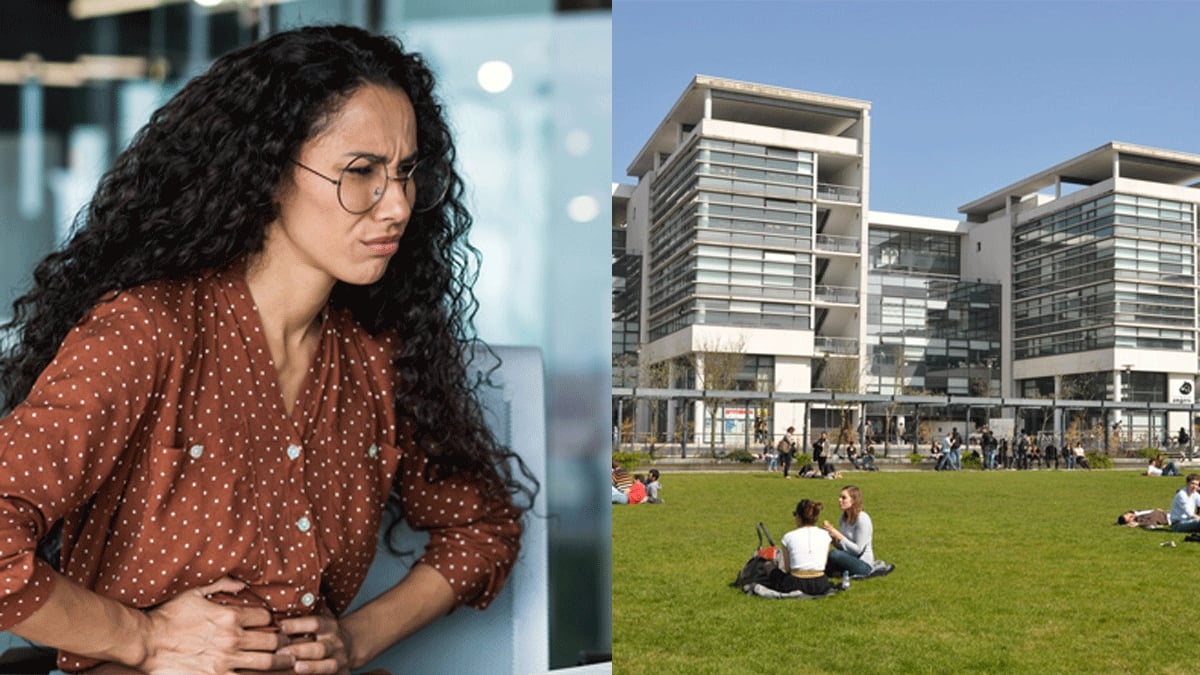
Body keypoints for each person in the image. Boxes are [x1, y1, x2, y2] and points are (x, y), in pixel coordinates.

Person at [0, 25, 536, 673]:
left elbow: (482, 530)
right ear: (267, 169)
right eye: (360, 171)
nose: (395, 204)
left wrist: (359, 637)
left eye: (405, 173)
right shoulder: (147, 330)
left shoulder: (375, 358)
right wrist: (139, 637)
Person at [763, 499, 837, 596]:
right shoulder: (825, 535)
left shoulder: (788, 537)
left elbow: (788, 568)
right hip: (820, 583)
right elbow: (824, 563)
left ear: (798, 517)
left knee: (768, 565)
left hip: (796, 583)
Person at [822, 486, 894, 580]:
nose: (839, 500)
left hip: (863, 564)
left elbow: (857, 550)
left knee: (834, 554)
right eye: (840, 497)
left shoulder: (862, 519)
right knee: (824, 558)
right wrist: (832, 539)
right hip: (849, 558)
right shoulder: (843, 518)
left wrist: (838, 535)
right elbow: (844, 547)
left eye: (844, 498)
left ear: (853, 500)